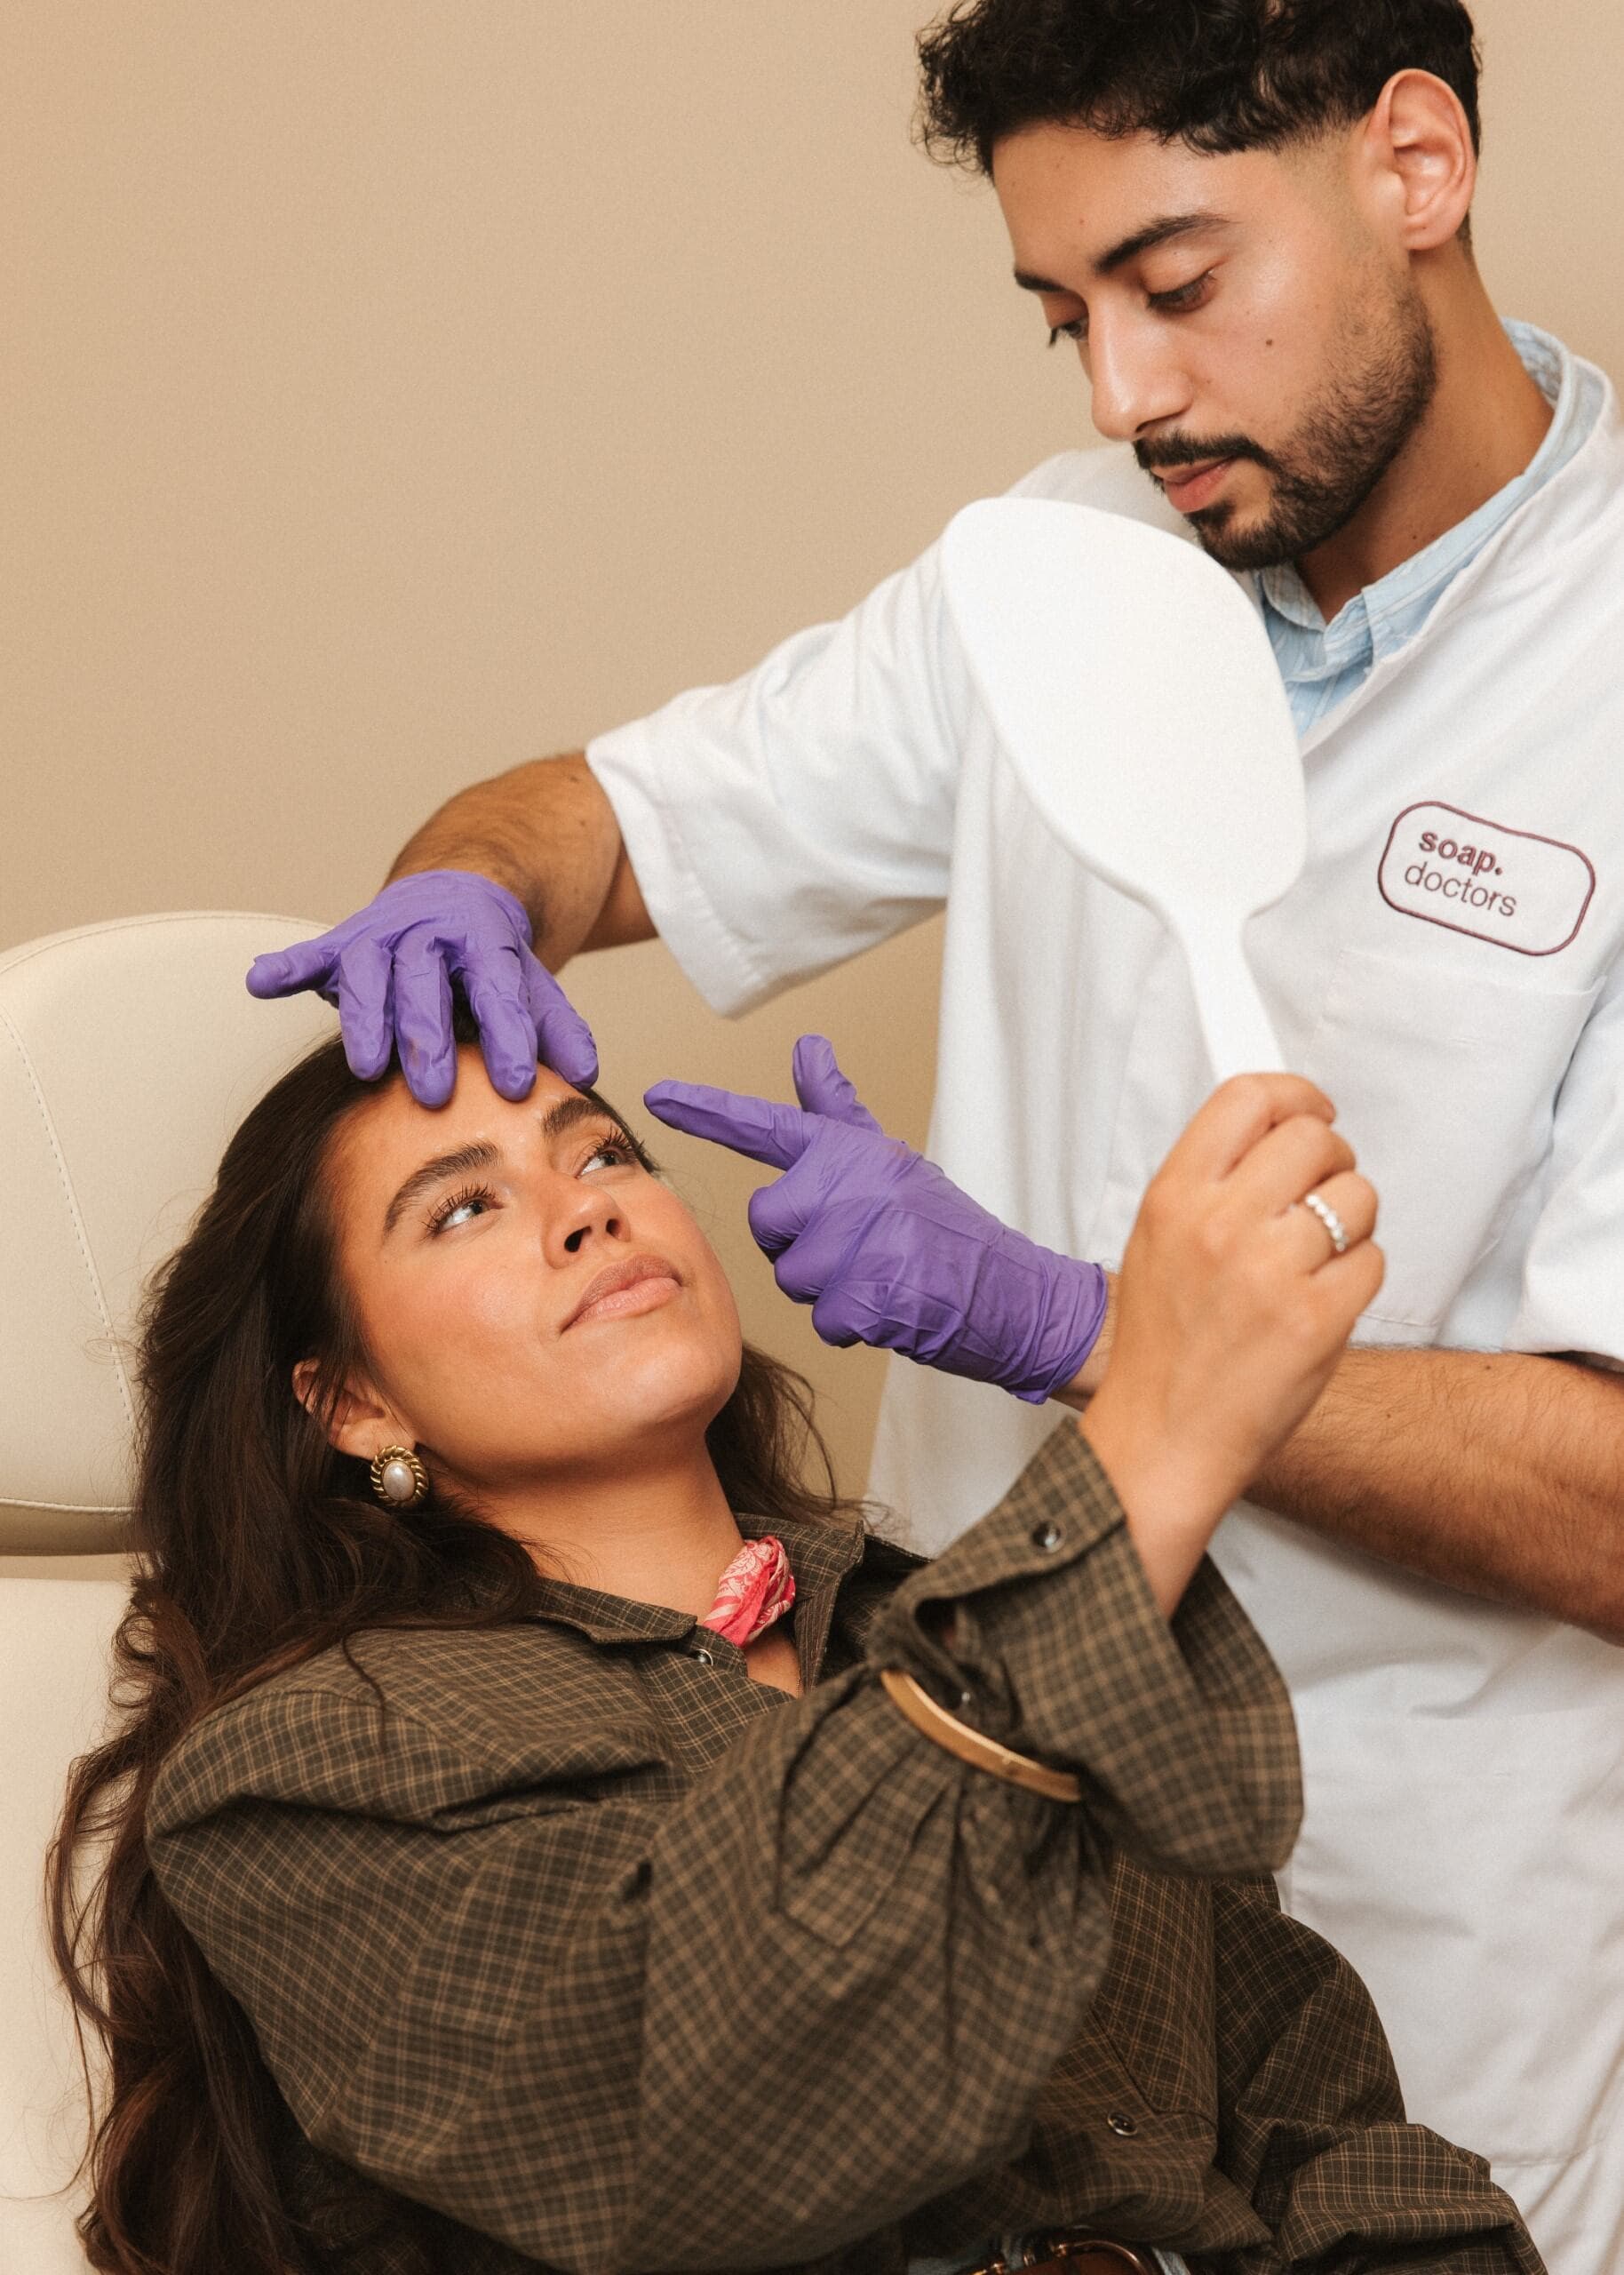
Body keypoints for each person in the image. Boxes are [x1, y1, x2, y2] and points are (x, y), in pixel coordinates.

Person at [243, 4, 1624, 2258]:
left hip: (1413, 1904)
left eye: (1172, 287)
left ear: (1413, 164)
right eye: (1058, 313)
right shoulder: (1062, 568)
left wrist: (1079, 1328)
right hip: (934, 1826)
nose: (1117, 395)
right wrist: (470, 886)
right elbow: (594, 827)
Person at [52, 1014, 1545, 2275]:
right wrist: (1149, 1442)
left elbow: (1318, 2128)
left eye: (602, 1152)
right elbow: (737, 2101)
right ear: (353, 1404)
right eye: (463, 1206)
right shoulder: (311, 1763)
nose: (587, 1207)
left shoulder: (947, 1624)